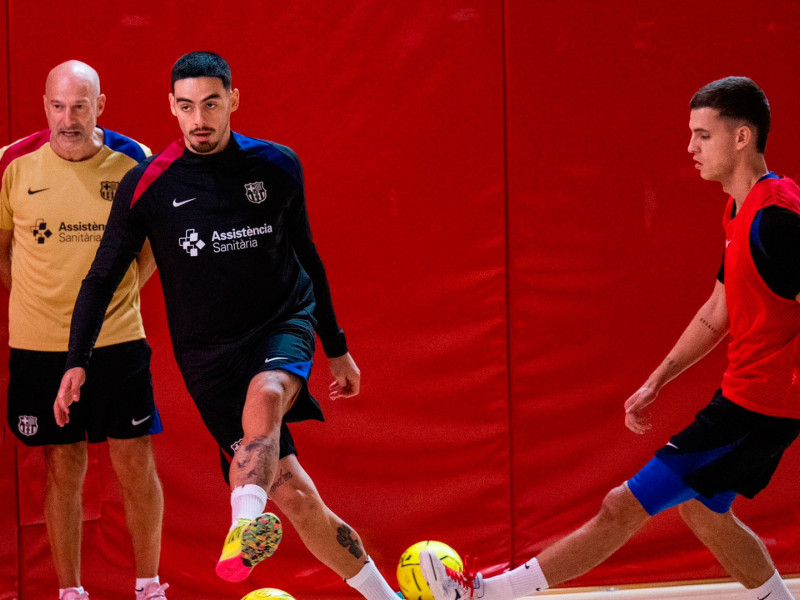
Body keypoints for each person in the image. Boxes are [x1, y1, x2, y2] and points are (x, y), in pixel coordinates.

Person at [419, 76, 800, 600]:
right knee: (704, 509)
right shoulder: (740, 210)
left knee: (622, 505)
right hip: (746, 393)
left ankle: (487, 593)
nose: (689, 147)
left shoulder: (777, 218)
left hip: (762, 404)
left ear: (742, 138)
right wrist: (657, 380)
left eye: (702, 135)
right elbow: (719, 310)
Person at [53, 51, 400, 599]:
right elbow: (100, 279)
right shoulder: (149, 186)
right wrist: (77, 360)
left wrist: (336, 347)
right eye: (187, 107)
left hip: (281, 320)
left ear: (233, 101)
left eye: (211, 104)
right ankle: (387, 598)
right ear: (171, 107)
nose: (200, 120)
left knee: (265, 393)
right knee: (295, 496)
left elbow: (308, 255)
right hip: (208, 357)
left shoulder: (276, 166)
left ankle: (242, 525)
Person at [0, 61, 168, 600]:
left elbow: (152, 247)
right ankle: (70, 592)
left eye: (79, 106)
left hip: (116, 340)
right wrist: (42, 299)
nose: (67, 119)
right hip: (39, 343)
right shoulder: (13, 164)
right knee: (62, 465)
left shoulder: (135, 161)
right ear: (45, 104)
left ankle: (148, 586)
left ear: (101, 104)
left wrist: (113, 300)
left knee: (134, 460)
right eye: (57, 106)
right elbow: (3, 250)